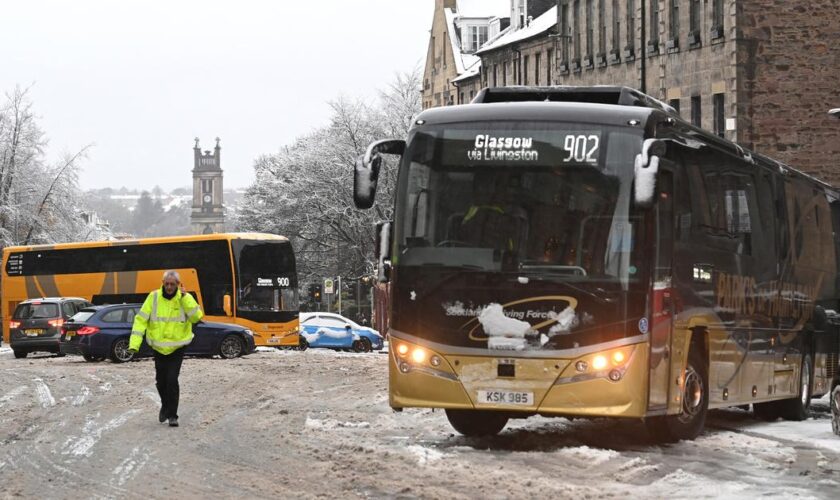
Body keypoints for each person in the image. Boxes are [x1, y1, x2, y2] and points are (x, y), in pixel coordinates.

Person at [129, 270, 204, 427]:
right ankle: (165, 405)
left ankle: (172, 415)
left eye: (172, 284)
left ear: (178, 284)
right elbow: (140, 320)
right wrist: (134, 344)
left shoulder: (185, 298)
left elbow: (197, 317)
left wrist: (185, 299)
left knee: (171, 380)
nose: (169, 287)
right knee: (160, 381)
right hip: (158, 347)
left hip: (177, 347)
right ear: (163, 283)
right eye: (167, 283)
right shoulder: (153, 297)